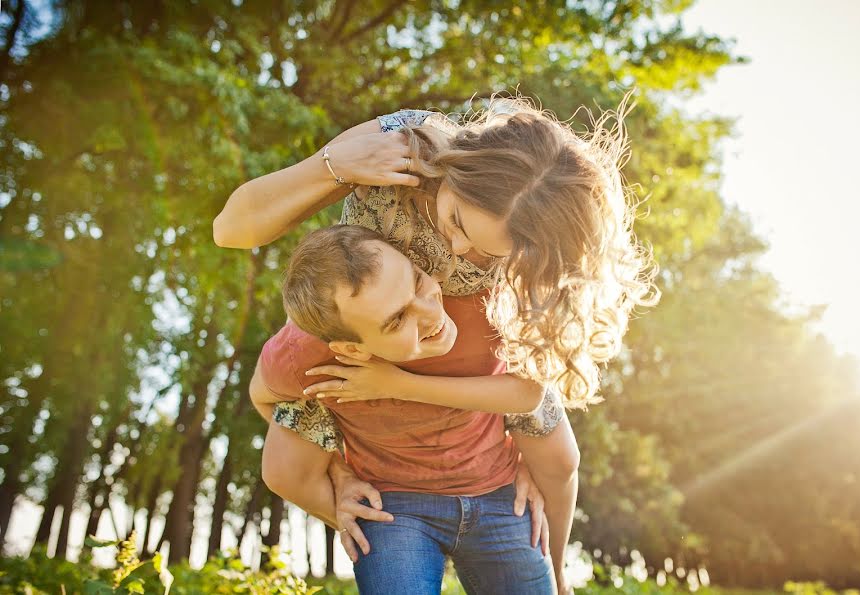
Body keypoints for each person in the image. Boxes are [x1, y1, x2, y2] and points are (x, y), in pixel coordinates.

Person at [217, 93, 658, 591]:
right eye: (458, 224)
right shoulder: (401, 148)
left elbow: (528, 389)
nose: (459, 253)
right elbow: (229, 228)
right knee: (303, 408)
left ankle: (557, 575)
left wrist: (521, 449)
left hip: (480, 349)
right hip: (372, 311)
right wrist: (333, 166)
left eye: (490, 253)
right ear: (461, 170)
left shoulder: (529, 250)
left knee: (557, 453)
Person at [252, 224, 566, 594]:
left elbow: (533, 392)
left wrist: (397, 384)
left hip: (498, 492)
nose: (430, 312)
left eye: (417, 282)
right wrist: (339, 473)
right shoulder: (304, 356)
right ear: (353, 350)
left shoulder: (484, 299)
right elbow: (263, 396)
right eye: (397, 320)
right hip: (394, 504)